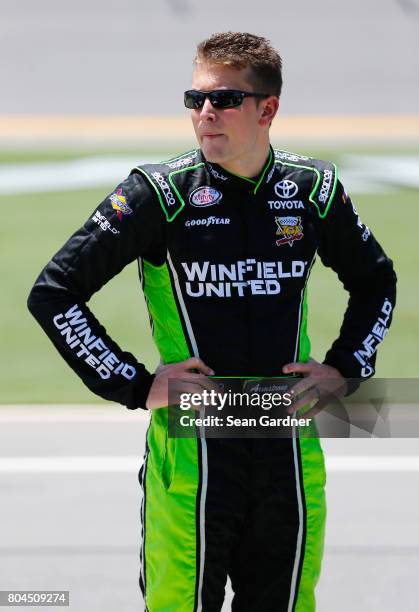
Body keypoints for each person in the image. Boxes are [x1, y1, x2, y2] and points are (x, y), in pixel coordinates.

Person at [28, 31, 396, 611]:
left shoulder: (313, 190)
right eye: (194, 99)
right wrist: (136, 384)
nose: (205, 113)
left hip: (286, 447)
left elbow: (377, 281)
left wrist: (344, 370)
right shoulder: (158, 194)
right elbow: (53, 294)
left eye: (223, 99)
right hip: (193, 451)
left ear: (267, 109)